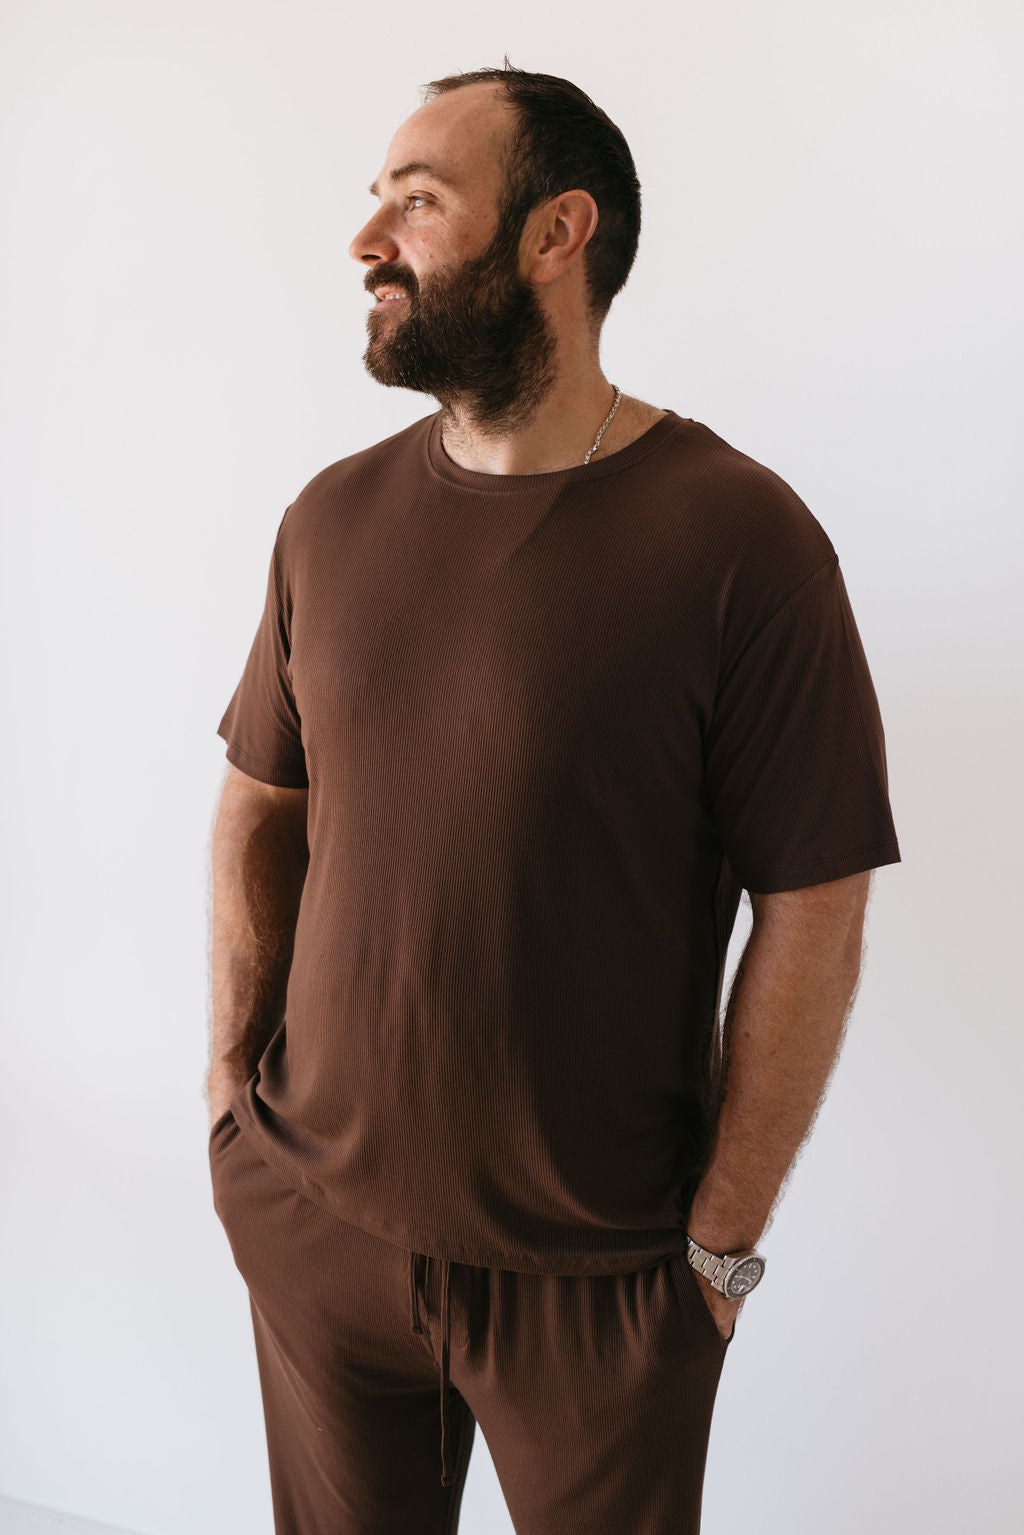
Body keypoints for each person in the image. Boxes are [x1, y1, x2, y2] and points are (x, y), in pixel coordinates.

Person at [206, 61, 901, 1535]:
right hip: (317, 1228)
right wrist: (229, 1111)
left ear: (554, 233)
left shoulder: (741, 544)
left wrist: (718, 1250)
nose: (368, 242)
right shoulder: (329, 521)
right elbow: (260, 807)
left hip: (600, 1292)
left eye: (417, 198)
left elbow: (814, 902)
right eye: (375, 200)